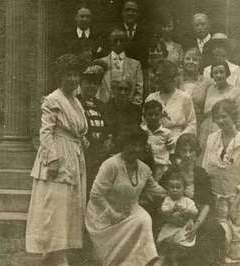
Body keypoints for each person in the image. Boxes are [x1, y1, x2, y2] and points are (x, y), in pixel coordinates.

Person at [26, 54, 88, 266]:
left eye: (75, 75)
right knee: (56, 207)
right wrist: (52, 160)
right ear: (60, 77)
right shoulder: (53, 99)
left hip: (73, 154)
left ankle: (59, 252)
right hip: (58, 155)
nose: (72, 79)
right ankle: (54, 254)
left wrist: (82, 140)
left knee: (70, 206)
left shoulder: (75, 101)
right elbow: (46, 132)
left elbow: (75, 129)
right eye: (68, 75)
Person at [85, 128, 166, 266]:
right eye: (131, 144)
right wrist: (112, 214)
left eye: (139, 145)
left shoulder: (144, 169)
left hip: (129, 209)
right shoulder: (111, 165)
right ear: (123, 144)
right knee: (139, 220)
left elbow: (156, 190)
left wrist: (178, 194)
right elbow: (95, 195)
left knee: (143, 219)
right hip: (104, 214)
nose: (135, 148)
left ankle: (149, 260)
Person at [202, 99, 240, 264]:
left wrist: (234, 204)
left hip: (237, 201)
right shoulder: (212, 139)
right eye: (217, 118)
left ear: (232, 116)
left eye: (224, 116)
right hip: (215, 199)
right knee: (217, 241)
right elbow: (206, 168)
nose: (220, 121)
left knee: (238, 252)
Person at [165, 133, 226, 266]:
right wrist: (172, 216)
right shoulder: (171, 172)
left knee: (214, 230)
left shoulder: (201, 173)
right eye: (184, 150)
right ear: (178, 152)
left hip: (197, 216)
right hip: (175, 216)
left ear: (196, 152)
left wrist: (197, 225)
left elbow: (207, 203)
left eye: (191, 151)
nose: (187, 155)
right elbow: (162, 198)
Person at [199, 61, 240, 162]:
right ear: (212, 75)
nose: (219, 75)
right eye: (215, 73)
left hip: (226, 132)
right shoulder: (210, 90)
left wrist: (237, 140)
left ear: (227, 73)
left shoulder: (235, 92)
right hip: (206, 132)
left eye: (221, 72)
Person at [77, 59, 111, 194]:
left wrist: (108, 139)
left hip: (100, 154)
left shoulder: (102, 106)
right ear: (81, 83)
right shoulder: (76, 103)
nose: (92, 86)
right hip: (83, 155)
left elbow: (107, 128)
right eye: (89, 83)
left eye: (96, 83)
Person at [145, 59, 197, 147]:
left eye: (159, 76)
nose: (156, 79)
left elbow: (192, 124)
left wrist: (178, 139)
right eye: (155, 75)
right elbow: (144, 123)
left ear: (169, 76)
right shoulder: (151, 98)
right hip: (154, 144)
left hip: (177, 144)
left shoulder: (184, 98)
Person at [157, 169, 198, 266]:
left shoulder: (188, 201)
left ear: (184, 189)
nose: (175, 190)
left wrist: (186, 211)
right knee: (164, 243)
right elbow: (164, 212)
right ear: (167, 188)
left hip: (182, 228)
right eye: (172, 187)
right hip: (170, 226)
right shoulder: (167, 200)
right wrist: (172, 210)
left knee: (178, 246)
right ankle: (161, 258)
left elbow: (195, 212)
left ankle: (175, 261)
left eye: (178, 187)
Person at [96, 27, 144, 106]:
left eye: (122, 40)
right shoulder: (100, 63)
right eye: (115, 40)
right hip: (105, 109)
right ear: (110, 42)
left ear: (126, 42)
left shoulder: (136, 65)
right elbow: (97, 88)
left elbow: (139, 91)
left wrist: (133, 109)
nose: (118, 43)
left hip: (128, 111)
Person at [141, 100, 173, 181]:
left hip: (162, 170)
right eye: (150, 114)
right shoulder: (141, 131)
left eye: (156, 114)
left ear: (161, 115)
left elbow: (172, 153)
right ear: (144, 116)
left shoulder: (167, 133)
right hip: (145, 168)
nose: (153, 117)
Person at [179, 48, 211, 127]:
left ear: (200, 63)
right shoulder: (176, 81)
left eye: (195, 59)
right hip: (178, 124)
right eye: (188, 59)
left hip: (199, 124)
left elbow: (209, 112)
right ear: (183, 61)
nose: (191, 62)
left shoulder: (207, 83)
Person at [105, 78, 141, 149]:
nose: (122, 92)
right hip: (111, 144)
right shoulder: (106, 107)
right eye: (119, 89)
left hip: (129, 145)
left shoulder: (136, 110)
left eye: (126, 89)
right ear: (114, 90)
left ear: (130, 92)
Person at [120, 0, 150, 69]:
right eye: (127, 10)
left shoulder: (145, 32)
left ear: (138, 14)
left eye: (134, 11)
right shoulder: (115, 32)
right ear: (122, 13)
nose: (130, 13)